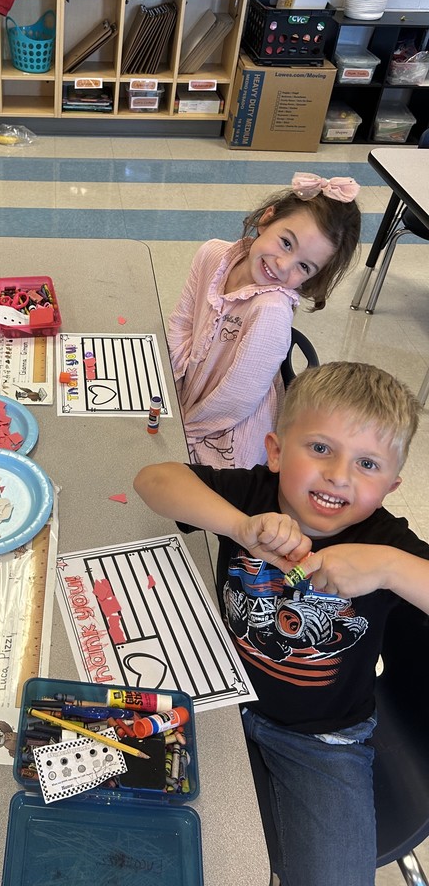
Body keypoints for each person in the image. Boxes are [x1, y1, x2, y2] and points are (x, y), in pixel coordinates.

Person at [134, 362, 429, 886]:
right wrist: (239, 527)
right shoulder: (254, 497)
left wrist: (388, 566)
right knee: (143, 835)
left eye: (367, 463)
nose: (339, 475)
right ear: (274, 452)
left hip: (323, 739)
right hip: (216, 696)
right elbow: (153, 479)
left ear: (392, 485)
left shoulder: (389, 542)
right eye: (320, 449)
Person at [168, 172, 361, 469]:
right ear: (267, 219)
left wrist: (181, 430)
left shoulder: (271, 309)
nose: (283, 266)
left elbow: (235, 400)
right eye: (286, 242)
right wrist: (168, 385)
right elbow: (182, 323)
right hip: (185, 402)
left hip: (224, 437)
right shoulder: (211, 254)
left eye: (305, 266)